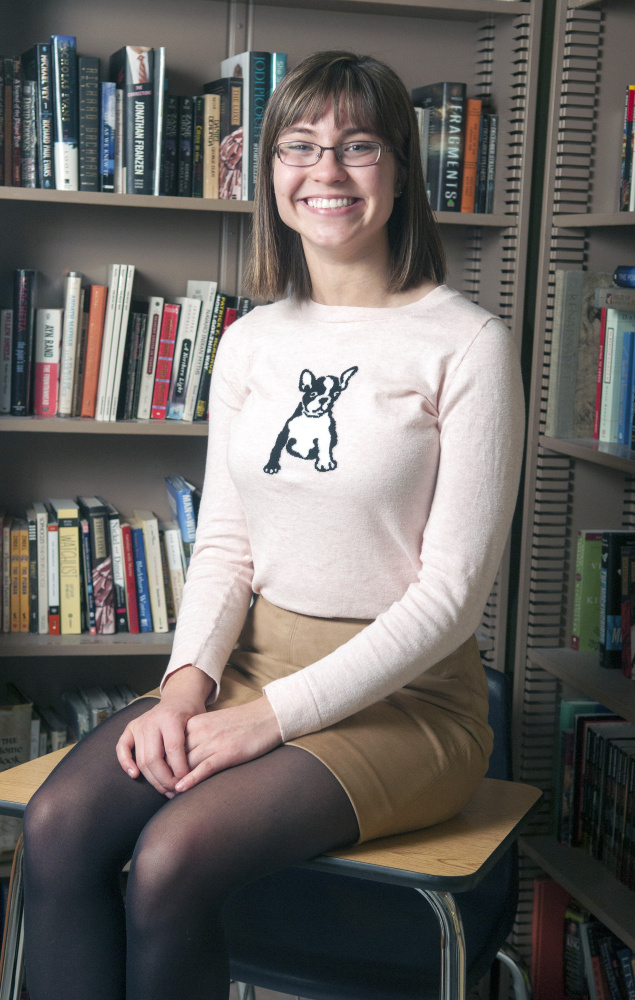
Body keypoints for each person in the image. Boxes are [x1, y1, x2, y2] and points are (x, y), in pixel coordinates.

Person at [22, 49, 524, 1000]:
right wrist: (184, 688)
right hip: (247, 670)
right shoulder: (251, 339)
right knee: (58, 830)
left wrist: (268, 724)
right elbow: (225, 543)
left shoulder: (468, 344)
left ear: (401, 171)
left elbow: (451, 599)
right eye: (300, 145)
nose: (325, 171)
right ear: (272, 174)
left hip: (403, 705)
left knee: (173, 859)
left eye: (357, 146)